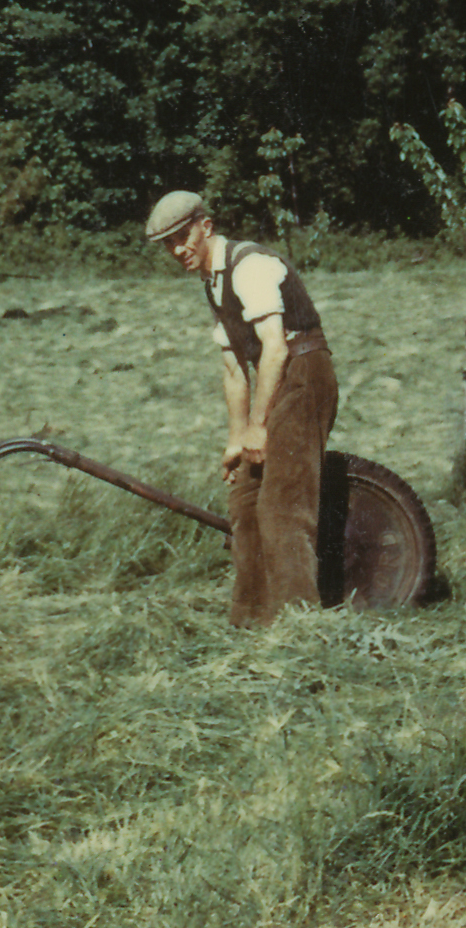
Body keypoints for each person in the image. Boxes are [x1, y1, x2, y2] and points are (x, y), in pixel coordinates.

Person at [147, 190, 338, 627]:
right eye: (168, 245)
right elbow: (234, 370)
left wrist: (258, 427)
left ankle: (300, 629)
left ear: (206, 226)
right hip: (280, 380)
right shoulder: (213, 283)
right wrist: (237, 440)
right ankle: (251, 622)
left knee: (281, 506)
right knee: (245, 501)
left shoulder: (248, 266)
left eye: (183, 237)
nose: (178, 251)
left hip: (304, 374)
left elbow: (274, 350)